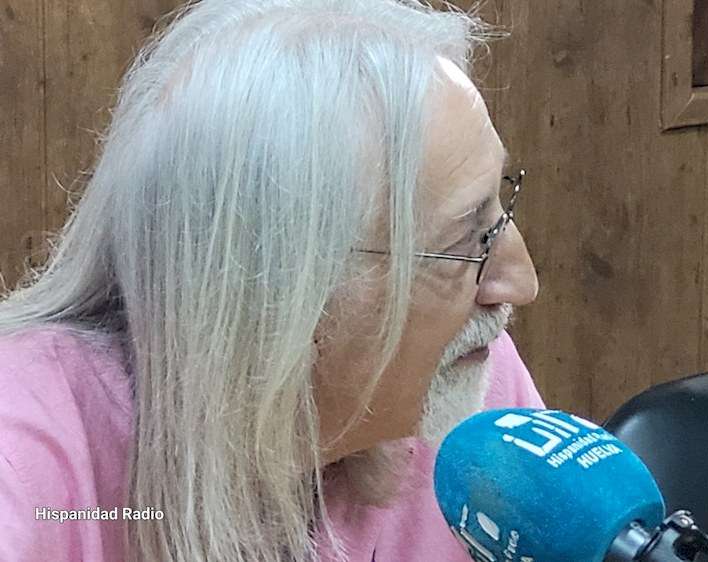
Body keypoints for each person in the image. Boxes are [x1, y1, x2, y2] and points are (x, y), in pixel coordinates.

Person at [0, 1, 542, 560]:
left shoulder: (467, 379)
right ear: (275, 296)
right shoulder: (24, 457)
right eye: (464, 241)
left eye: (500, 208)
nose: (520, 283)